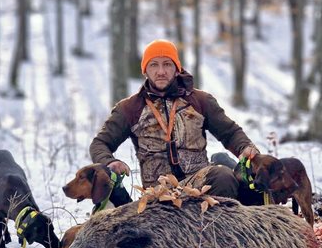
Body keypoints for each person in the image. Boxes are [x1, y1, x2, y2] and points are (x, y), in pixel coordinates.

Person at [90, 39, 259, 205]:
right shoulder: (129, 108)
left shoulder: (200, 100)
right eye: (154, 65)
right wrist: (110, 161)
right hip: (159, 192)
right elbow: (100, 143)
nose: (161, 71)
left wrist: (245, 148)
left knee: (223, 176)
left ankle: (223, 229)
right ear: (145, 71)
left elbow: (230, 132)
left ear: (177, 69)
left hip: (199, 182)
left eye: (167, 64)